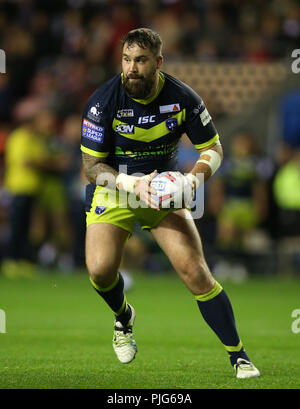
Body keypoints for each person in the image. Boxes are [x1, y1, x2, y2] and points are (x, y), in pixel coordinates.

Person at [80, 28, 260, 379]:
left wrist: (192, 181)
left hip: (163, 190)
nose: (132, 68)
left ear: (158, 62)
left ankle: (239, 357)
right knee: (100, 270)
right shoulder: (102, 102)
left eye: (141, 61)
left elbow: (214, 149)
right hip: (117, 185)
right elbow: (91, 168)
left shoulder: (183, 98)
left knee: (196, 272)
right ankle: (123, 318)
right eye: (127, 60)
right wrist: (132, 183)